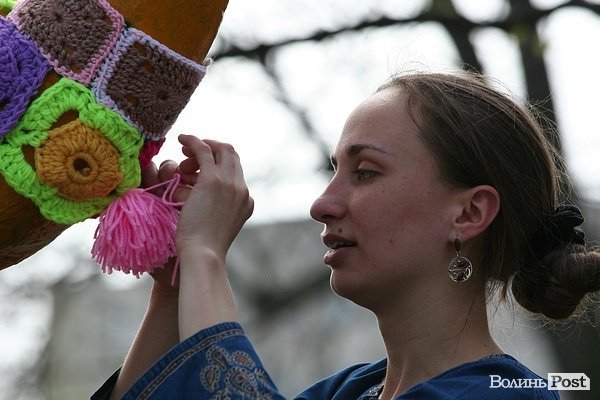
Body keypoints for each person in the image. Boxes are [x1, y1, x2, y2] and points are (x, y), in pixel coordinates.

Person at [92, 71, 600, 400]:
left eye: (366, 173)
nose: (322, 204)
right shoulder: (346, 391)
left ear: (468, 213)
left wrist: (205, 254)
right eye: (335, 170)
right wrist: (177, 283)